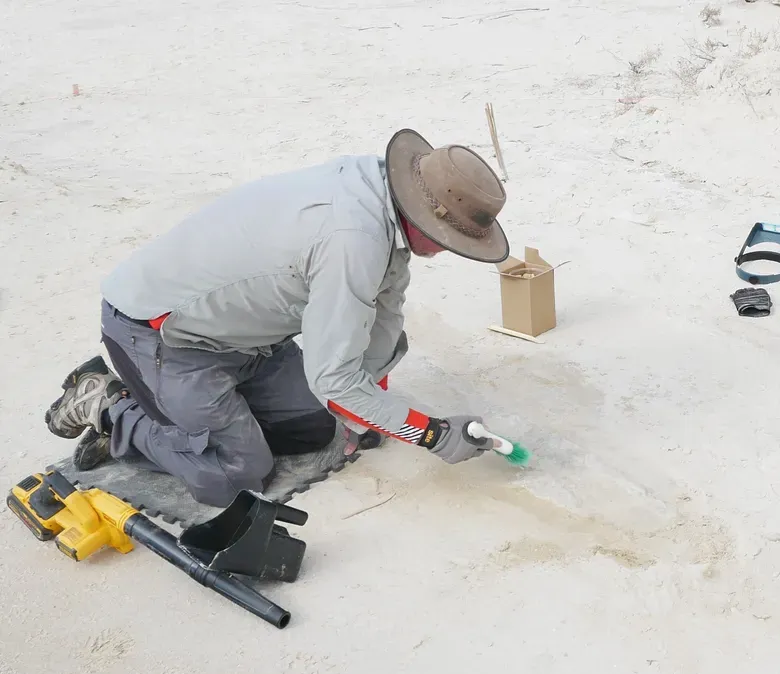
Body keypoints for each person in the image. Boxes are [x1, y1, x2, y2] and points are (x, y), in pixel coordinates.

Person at [43, 129, 512, 507]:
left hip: (248, 338)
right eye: (449, 239)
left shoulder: (380, 196)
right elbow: (337, 381)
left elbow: (384, 318)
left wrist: (368, 406)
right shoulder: (352, 239)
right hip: (162, 337)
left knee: (316, 427)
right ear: (422, 214)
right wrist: (431, 434)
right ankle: (110, 406)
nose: (448, 251)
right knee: (238, 475)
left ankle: (200, 414)